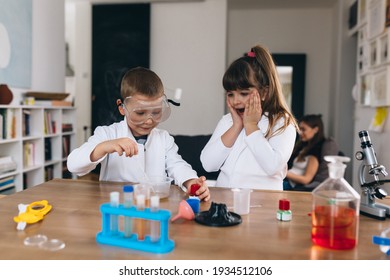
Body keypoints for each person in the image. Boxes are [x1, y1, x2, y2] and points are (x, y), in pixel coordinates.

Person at [67, 67, 210, 201]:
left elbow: (177, 165)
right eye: (140, 113)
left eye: (156, 112)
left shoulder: (163, 138)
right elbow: (73, 165)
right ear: (122, 107)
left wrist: (191, 182)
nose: (149, 120)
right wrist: (104, 147)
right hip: (117, 207)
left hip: (153, 207)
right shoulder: (108, 134)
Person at [200, 44, 299, 190]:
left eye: (244, 93)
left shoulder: (281, 122)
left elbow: (272, 166)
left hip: (262, 204)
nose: (236, 101)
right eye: (230, 94)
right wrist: (236, 126)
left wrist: (251, 126)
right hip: (224, 200)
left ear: (264, 92)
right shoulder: (228, 121)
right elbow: (208, 164)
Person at [283, 114, 339, 191]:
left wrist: (283, 172)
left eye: (303, 129)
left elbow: (307, 179)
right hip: (286, 180)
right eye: (300, 129)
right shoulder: (302, 147)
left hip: (291, 184)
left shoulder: (315, 153)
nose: (300, 132)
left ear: (315, 129)